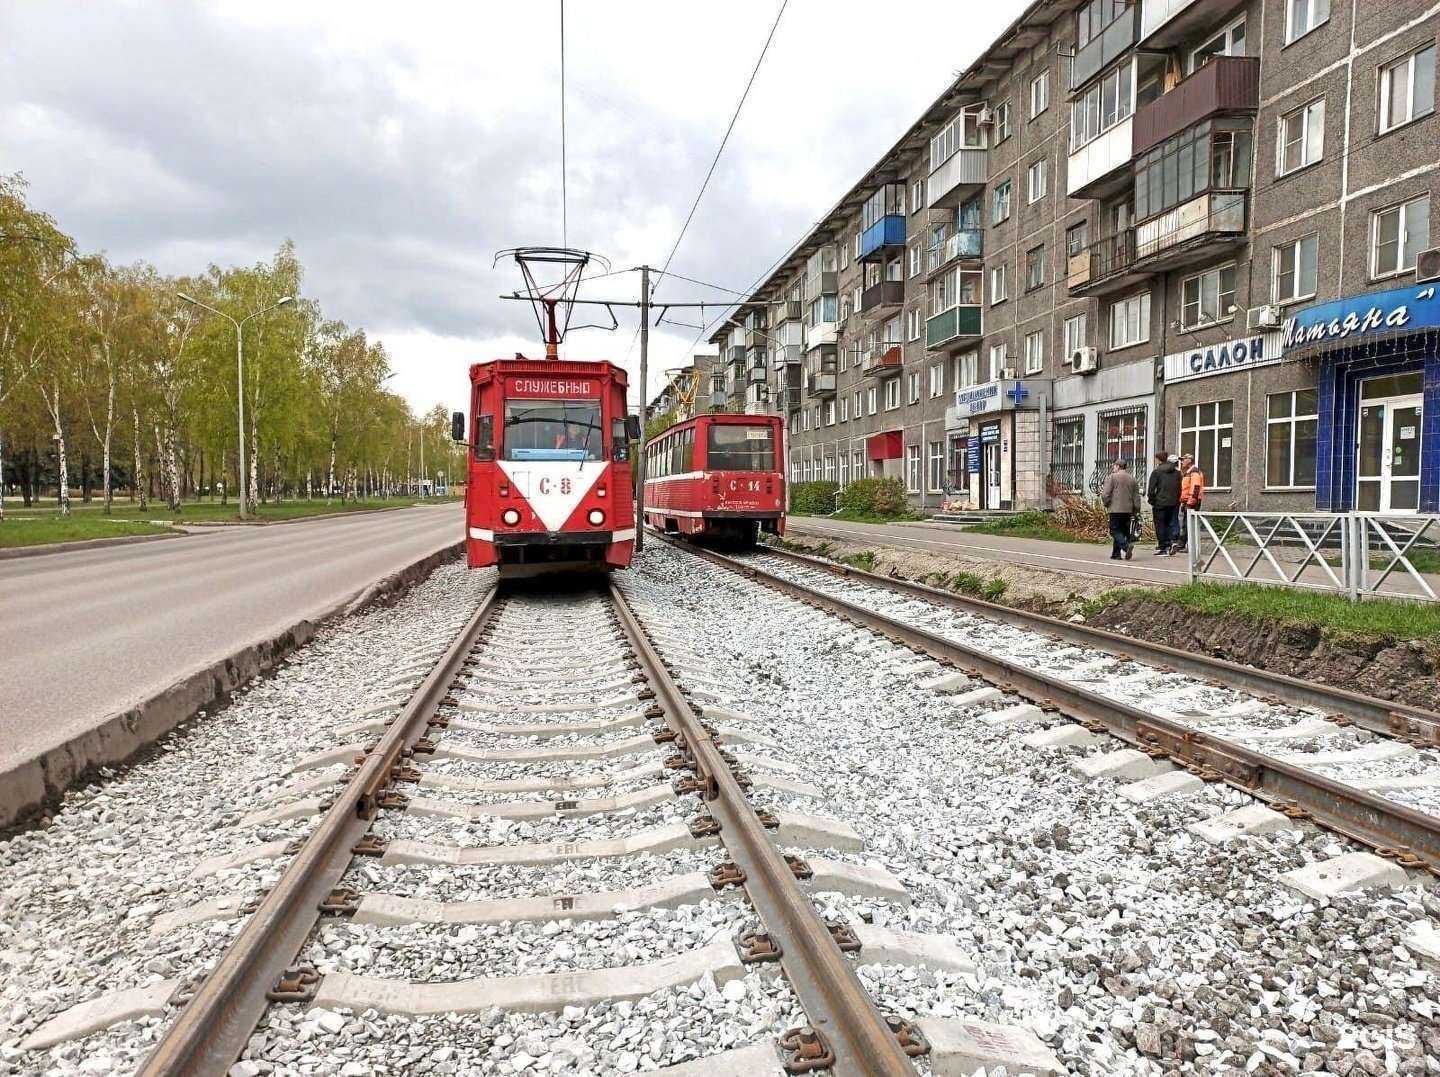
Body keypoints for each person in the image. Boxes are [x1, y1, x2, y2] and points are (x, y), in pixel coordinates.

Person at [1100, 459, 1139, 560]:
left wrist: (1107, 503)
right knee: (1122, 531)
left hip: (1115, 509)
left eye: (1114, 466)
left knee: (1114, 530)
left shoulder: (1112, 477)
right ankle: (1116, 554)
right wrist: (1136, 510)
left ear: (1118, 466)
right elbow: (1136, 497)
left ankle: (1126, 547)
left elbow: (1105, 494)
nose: (1113, 468)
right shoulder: (1132, 479)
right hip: (1128, 510)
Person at [1146, 451, 1182, 555]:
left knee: (1160, 525)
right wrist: (1177, 500)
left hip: (1160, 503)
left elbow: (1151, 490)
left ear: (1158, 460)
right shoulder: (1177, 473)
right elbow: (1180, 488)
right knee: (1171, 523)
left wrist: (1152, 501)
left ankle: (1164, 547)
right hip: (1174, 503)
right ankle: (1172, 542)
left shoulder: (1156, 472)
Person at [1177, 453, 1205, 553]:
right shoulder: (1189, 472)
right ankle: (1183, 544)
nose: (1182, 462)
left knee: (1189, 524)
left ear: (1189, 460)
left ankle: (1189, 546)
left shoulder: (1194, 472)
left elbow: (1196, 487)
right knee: (1186, 524)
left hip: (1192, 502)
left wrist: (1190, 502)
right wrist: (1183, 502)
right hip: (1188, 501)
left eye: (1183, 460)